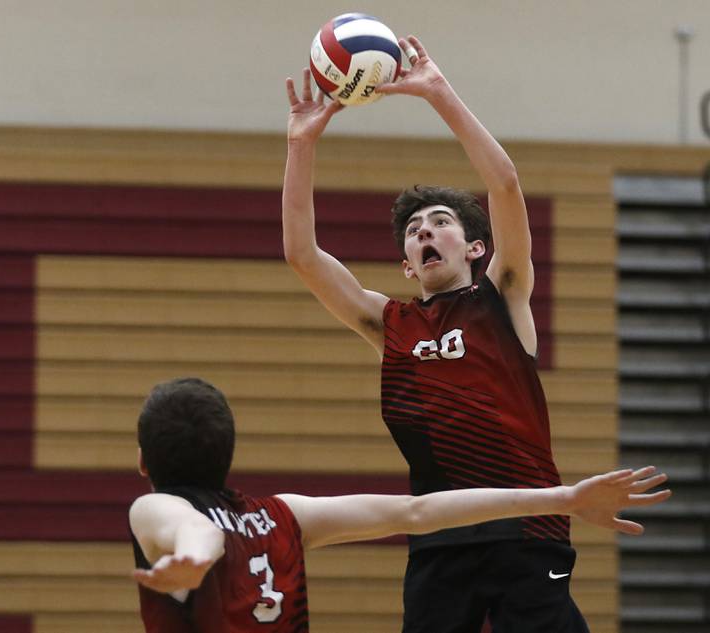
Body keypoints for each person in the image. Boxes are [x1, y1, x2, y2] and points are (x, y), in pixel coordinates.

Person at [282, 35, 611, 632]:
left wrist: (438, 92)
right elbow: (302, 255)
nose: (426, 232)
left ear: (475, 247)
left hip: (527, 531)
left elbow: (506, 184)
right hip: (439, 534)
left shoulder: (503, 294)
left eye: (441, 223)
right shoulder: (390, 324)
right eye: (414, 230)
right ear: (408, 263)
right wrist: (301, 144)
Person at [130, 376, 670, 633]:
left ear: (144, 464)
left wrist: (197, 556)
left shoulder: (153, 509)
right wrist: (564, 497)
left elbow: (192, 529)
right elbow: (419, 512)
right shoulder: (283, 514)